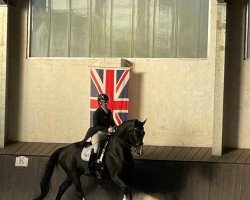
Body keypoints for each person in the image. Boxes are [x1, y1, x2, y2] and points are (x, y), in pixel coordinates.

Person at [84, 93, 117, 175]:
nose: (105, 103)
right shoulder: (97, 113)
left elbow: (112, 123)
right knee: (96, 148)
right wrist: (107, 129)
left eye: (106, 102)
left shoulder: (109, 112)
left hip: (107, 133)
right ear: (100, 103)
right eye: (103, 102)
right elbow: (96, 126)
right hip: (98, 133)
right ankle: (90, 167)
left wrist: (116, 127)